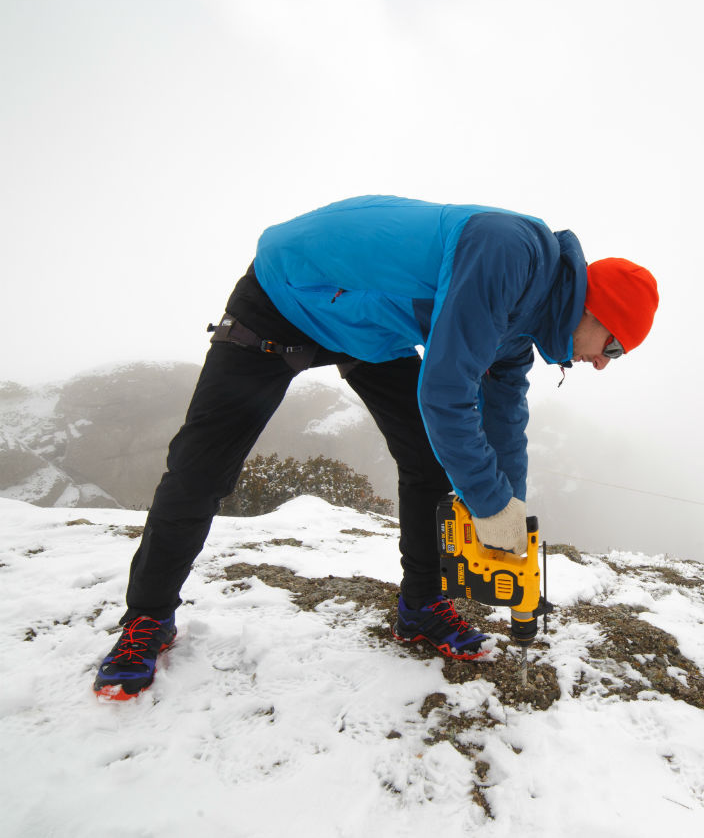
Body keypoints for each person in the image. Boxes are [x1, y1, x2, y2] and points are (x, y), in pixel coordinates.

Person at [92, 196, 659, 700]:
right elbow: (445, 392)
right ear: (595, 307)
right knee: (202, 467)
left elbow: (505, 417)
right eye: (615, 345)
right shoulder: (508, 251)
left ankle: (421, 609)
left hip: (370, 328)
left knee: (431, 459)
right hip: (289, 291)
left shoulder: (520, 330)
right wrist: (487, 504)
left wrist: (508, 509)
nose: (605, 362)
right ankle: (147, 619)